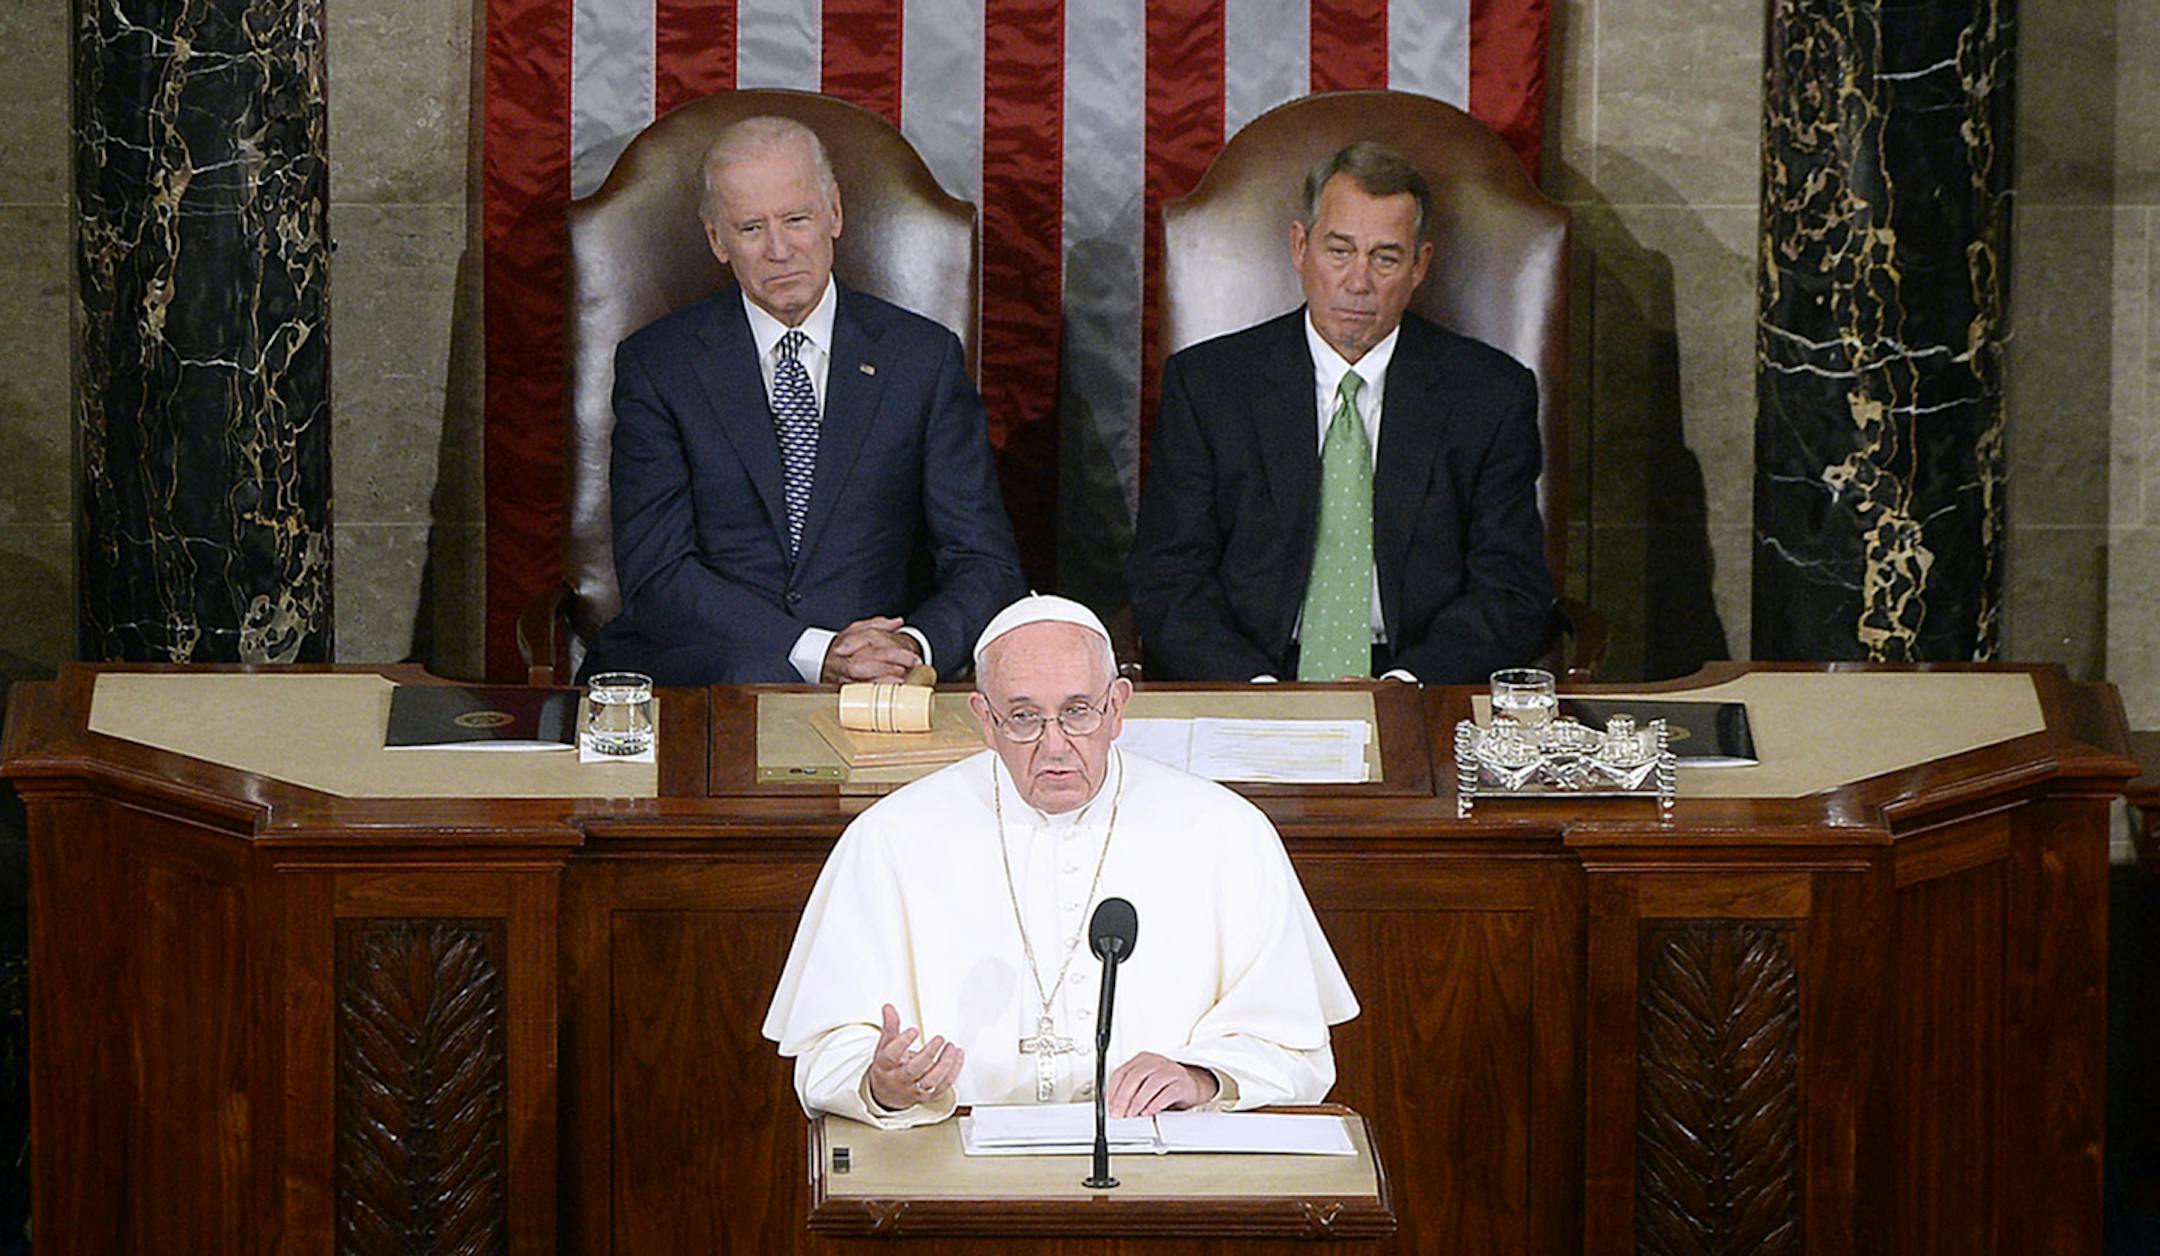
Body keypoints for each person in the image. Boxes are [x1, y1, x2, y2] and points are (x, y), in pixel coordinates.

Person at [763, 594, 1358, 1126]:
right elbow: (823, 1056)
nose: (1054, 744)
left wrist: (1200, 1077)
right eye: (1023, 717)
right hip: (961, 1177)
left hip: (1158, 1172)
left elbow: (1296, 1049)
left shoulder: (1226, 831)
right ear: (984, 720)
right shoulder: (891, 837)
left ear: (1118, 707)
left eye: (1078, 711)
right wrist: (882, 1084)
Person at [583, 115, 1024, 686]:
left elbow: (984, 563)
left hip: (883, 686)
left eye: (796, 219)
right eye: (750, 228)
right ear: (717, 239)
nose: (779, 250)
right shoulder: (660, 366)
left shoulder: (921, 360)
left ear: (834, 213)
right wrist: (815, 652)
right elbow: (659, 574)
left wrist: (908, 647)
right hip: (713, 676)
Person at [1126, 140, 1556, 684]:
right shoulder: (1210, 387)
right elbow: (1168, 578)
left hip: (1418, 678)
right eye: (1339, 250)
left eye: (1385, 257)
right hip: (1251, 676)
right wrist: (1257, 694)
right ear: (1300, 247)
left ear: (1420, 265)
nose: (1358, 282)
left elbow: (1511, 587)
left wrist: (1406, 686)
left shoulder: (1489, 396)